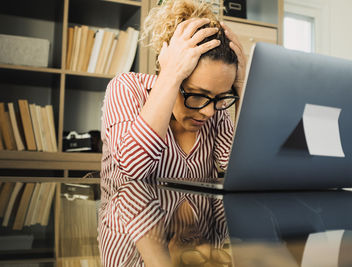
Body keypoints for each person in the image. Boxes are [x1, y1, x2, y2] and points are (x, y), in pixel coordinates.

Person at [98, 0, 246, 265]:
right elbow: (134, 167)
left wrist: (243, 88)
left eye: (221, 97)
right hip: (125, 226)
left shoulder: (217, 108)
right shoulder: (127, 88)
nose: (209, 112)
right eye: (197, 95)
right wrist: (170, 75)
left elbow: (247, 174)